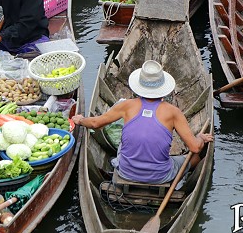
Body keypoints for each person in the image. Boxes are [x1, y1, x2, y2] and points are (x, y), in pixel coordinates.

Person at [72, 60, 213, 184]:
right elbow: (195, 148)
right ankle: (182, 178)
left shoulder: (125, 105)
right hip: (160, 176)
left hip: (126, 172)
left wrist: (81, 120)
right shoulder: (173, 112)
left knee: (123, 143)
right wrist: (200, 137)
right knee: (194, 158)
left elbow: (96, 123)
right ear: (163, 88)